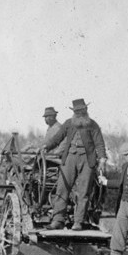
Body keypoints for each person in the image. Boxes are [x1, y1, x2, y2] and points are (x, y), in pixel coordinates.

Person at [47, 98, 107, 231]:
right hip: (69, 158)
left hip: (88, 160)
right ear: (74, 112)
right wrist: (46, 147)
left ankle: (78, 222)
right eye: (77, 111)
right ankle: (58, 220)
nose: (80, 113)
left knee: (83, 191)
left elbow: (99, 143)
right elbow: (57, 138)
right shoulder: (68, 123)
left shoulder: (93, 125)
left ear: (86, 110)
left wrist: (102, 159)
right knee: (62, 188)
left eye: (82, 110)